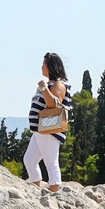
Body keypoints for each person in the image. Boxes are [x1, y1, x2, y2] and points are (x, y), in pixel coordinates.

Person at [23, 52, 70, 192]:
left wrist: (44, 87)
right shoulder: (50, 84)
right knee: (29, 160)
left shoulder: (59, 84)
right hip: (40, 130)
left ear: (50, 66)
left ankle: (55, 192)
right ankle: (36, 189)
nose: (41, 67)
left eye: (44, 64)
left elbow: (53, 104)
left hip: (49, 129)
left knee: (51, 162)